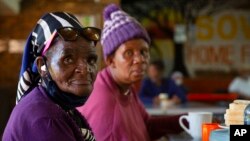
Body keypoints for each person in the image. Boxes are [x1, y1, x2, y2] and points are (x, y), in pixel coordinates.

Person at [77, 4, 185, 141]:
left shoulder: (123, 86)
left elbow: (147, 125)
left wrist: (187, 120)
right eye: (129, 53)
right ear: (111, 60)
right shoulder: (108, 108)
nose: (140, 59)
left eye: (144, 51)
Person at [2, 12, 101, 141]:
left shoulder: (60, 107)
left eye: (91, 59)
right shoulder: (46, 120)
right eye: (68, 59)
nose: (85, 69)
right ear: (42, 65)